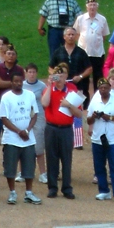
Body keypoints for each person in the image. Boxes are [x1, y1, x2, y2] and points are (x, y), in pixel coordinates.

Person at [0, 68, 40, 206]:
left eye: (20, 81)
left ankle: (29, 192)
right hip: (11, 139)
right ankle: (12, 192)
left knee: (29, 166)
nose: (18, 83)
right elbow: (4, 119)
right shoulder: (6, 97)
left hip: (28, 139)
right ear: (11, 83)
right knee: (10, 167)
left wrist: (27, 131)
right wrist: (19, 131)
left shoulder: (30, 95)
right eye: (15, 81)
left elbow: (34, 115)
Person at [40, 61, 79, 201]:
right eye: (57, 75)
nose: (59, 78)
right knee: (51, 157)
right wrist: (50, 85)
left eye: (62, 75)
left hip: (66, 129)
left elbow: (79, 114)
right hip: (51, 127)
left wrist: (69, 105)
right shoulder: (49, 88)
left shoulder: (72, 89)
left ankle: (67, 188)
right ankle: (52, 187)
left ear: (66, 76)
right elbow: (44, 103)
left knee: (67, 158)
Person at [86, 77, 114, 202]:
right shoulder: (95, 101)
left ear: (109, 88)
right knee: (99, 166)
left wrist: (108, 117)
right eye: (101, 88)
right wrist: (94, 116)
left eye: (105, 88)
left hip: (113, 139)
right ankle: (104, 190)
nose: (103, 90)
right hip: (97, 138)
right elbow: (88, 120)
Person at [37, 0, 81, 64]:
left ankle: (69, 70)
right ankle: (54, 72)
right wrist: (40, 28)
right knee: (54, 52)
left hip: (68, 30)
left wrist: (74, 29)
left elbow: (79, 15)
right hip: (54, 31)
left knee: (69, 51)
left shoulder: (71, 1)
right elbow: (43, 14)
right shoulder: (49, 1)